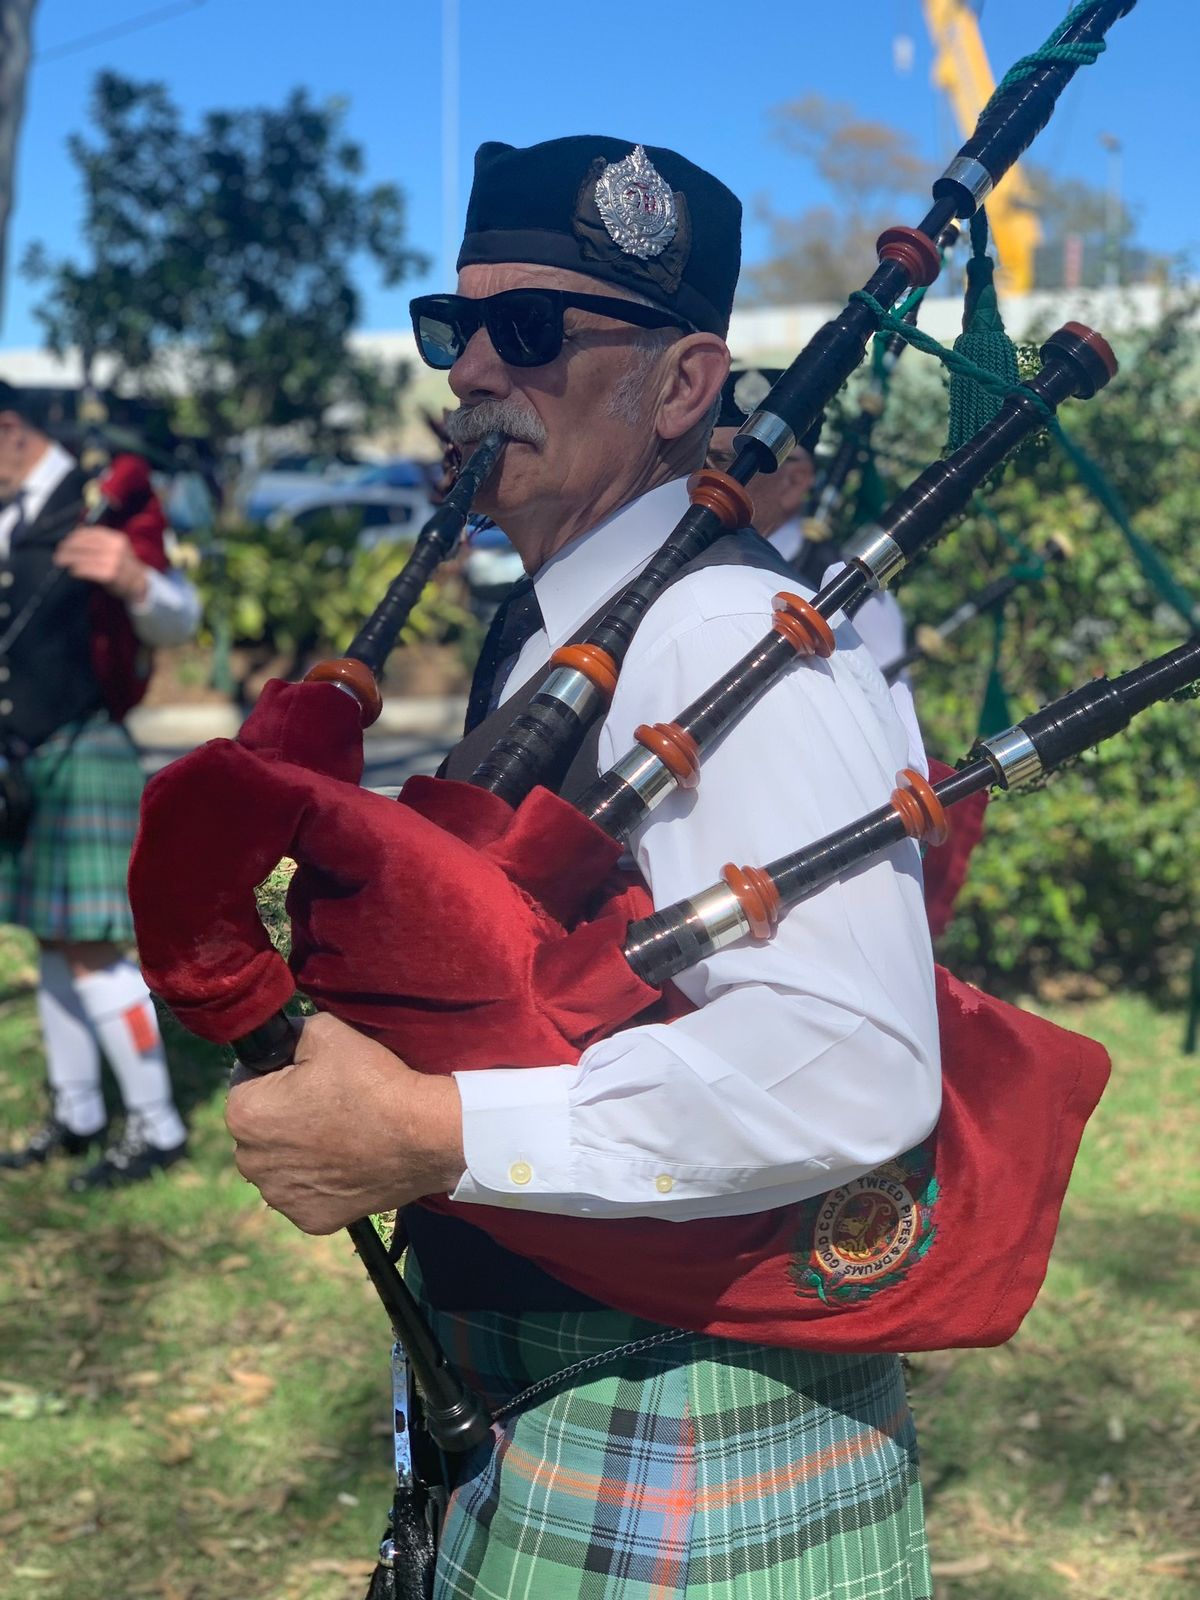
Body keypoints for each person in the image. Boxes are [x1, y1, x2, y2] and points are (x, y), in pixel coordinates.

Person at [226, 137, 940, 1599]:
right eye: (457, 326)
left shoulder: (721, 637)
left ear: (683, 389)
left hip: (681, 1418)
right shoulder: (558, 621)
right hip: (545, 1379)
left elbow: (852, 1063)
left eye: (533, 330)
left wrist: (437, 1131)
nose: (474, 369)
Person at [0, 381, 200, 1190]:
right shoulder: (12, 517)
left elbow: (179, 618)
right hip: (22, 756)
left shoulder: (107, 496)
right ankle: (78, 1111)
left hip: (86, 746)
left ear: (11, 431)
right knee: (50, 947)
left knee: (93, 953)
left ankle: (157, 1125)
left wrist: (132, 579)